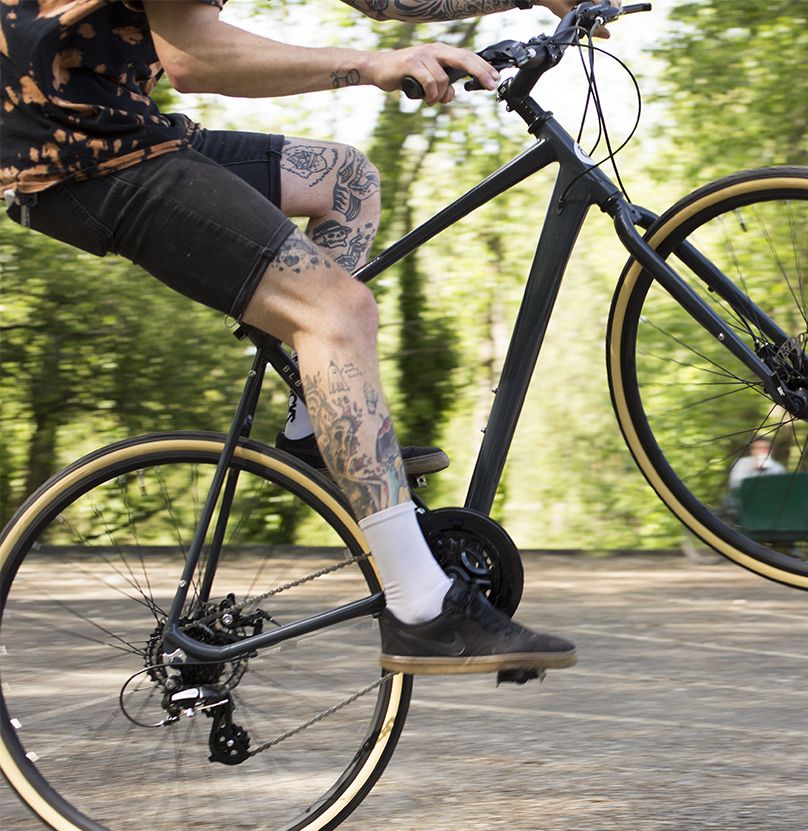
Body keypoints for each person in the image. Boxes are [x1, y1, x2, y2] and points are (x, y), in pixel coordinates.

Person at [0, 0, 591, 675]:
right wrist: (371, 64)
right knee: (337, 314)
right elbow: (194, 57)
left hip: (126, 129)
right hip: (75, 151)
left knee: (346, 181)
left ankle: (312, 430)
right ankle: (422, 609)